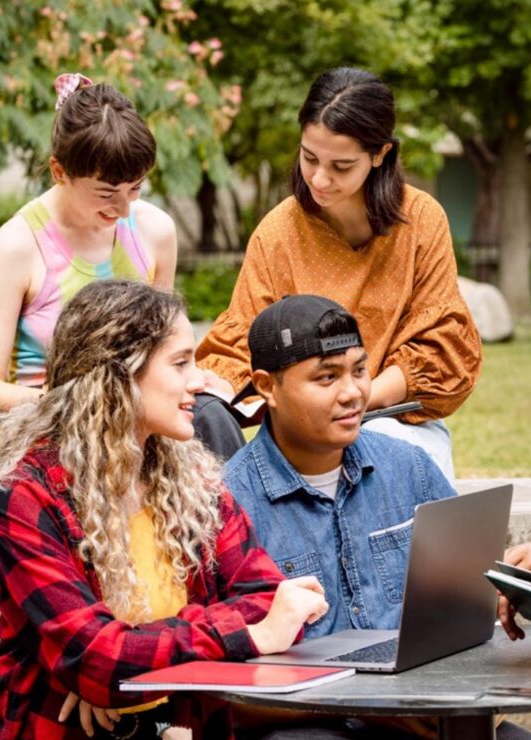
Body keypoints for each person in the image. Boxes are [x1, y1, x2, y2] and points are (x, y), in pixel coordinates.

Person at [0, 281, 328, 740]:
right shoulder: (30, 494)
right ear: (118, 374)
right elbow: (95, 655)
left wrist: (133, 672)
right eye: (180, 363)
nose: (201, 382)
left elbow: (268, 600)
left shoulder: (190, 479)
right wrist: (236, 638)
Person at [222, 294, 531, 740]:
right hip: (297, 734)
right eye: (325, 378)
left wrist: (508, 578)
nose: (351, 393)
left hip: (421, 724)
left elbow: (463, 604)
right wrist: (365, 707)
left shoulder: (407, 466)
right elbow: (219, 689)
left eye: (360, 371)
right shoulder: (226, 501)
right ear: (266, 387)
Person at [196, 67, 481, 480]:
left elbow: (441, 343)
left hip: (394, 421)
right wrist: (215, 390)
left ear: (380, 154)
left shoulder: (421, 220)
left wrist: (355, 400)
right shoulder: (278, 231)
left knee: (383, 453)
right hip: (301, 436)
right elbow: (243, 340)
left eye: (341, 166)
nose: (319, 178)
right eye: (309, 157)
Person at [0, 73, 177, 419]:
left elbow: (164, 351)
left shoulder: (156, 232)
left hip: (133, 432)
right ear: (59, 171)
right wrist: (87, 403)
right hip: (44, 438)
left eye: (136, 188)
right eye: (106, 193)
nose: (124, 209)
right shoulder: (17, 247)